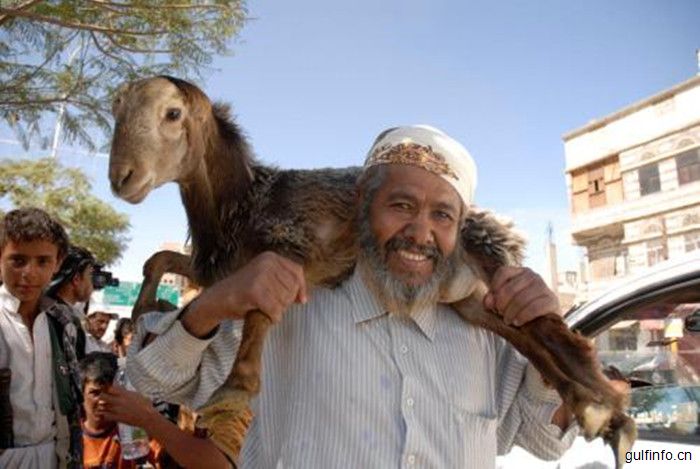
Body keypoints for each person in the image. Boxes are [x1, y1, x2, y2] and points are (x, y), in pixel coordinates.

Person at [128, 125, 581, 468]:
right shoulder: (288, 303)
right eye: (401, 205)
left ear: (458, 229)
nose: (420, 232)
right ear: (363, 206)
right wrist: (214, 303)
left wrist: (547, 338)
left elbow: (545, 441)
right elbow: (156, 382)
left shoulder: (484, 328)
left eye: (442, 215)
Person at [0, 207, 83, 468]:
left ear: (58, 263)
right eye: (18, 260)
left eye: (43, 261)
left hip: (52, 456)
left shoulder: (62, 323)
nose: (30, 273)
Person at [80, 351, 234, 468]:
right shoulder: (69, 436)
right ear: (82, 394)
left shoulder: (132, 432)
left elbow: (169, 458)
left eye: (110, 393)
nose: (103, 400)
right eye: (95, 393)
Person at [47, 245, 98, 359]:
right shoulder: (65, 321)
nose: (92, 283)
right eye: (89, 275)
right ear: (76, 279)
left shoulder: (47, 310)